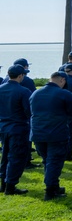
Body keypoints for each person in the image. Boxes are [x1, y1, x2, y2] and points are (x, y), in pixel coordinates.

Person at [29, 71, 72, 200]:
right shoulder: (64, 94)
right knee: (55, 162)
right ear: (62, 80)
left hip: (37, 132)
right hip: (56, 133)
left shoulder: (36, 93)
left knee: (48, 161)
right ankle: (50, 190)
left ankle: (54, 186)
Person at [0, 64, 33, 196]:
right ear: (21, 76)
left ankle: (3, 183)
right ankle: (11, 186)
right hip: (18, 128)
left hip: (3, 127)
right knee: (17, 157)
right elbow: (28, 111)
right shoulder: (23, 91)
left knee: (5, 156)